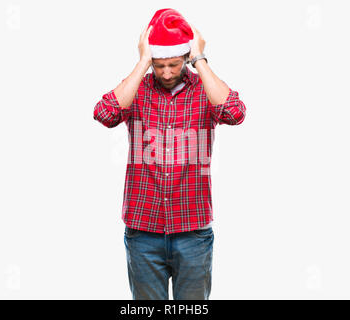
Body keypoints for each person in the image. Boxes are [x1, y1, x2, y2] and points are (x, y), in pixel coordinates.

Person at [93, 8, 246, 300]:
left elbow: (235, 112)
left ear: (185, 58)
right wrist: (142, 63)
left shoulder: (205, 89)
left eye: (174, 64)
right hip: (143, 230)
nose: (165, 73)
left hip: (193, 232)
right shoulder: (136, 89)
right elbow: (105, 113)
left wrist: (199, 58)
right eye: (158, 65)